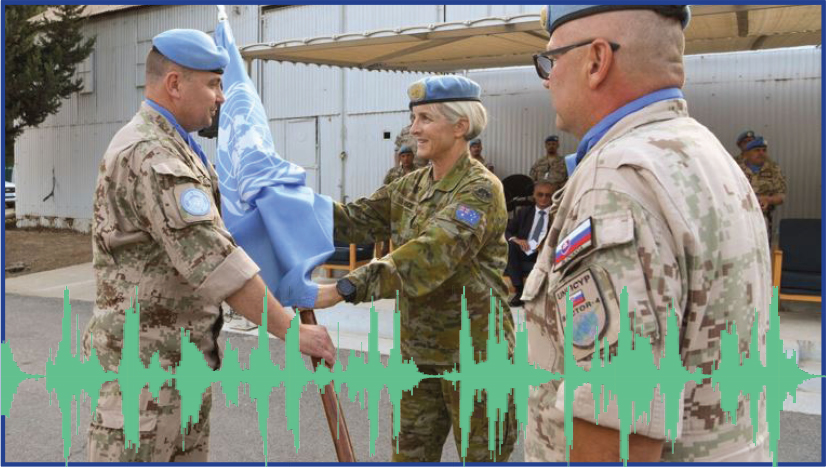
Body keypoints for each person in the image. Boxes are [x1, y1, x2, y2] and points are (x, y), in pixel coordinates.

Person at [524, 5, 770, 463]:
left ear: (597, 61)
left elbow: (617, 438)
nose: (547, 79)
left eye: (551, 61)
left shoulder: (616, 181)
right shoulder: (703, 151)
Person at [82, 29, 336, 462]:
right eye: (214, 84)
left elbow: (220, 236)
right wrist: (291, 331)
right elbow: (216, 261)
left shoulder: (178, 146)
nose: (222, 96)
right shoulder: (152, 155)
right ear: (174, 83)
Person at [314, 75, 517, 462]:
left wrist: (344, 288)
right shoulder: (411, 186)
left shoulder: (480, 190)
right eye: (413, 118)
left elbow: (431, 254)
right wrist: (291, 202)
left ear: (460, 126)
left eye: (425, 118)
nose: (414, 129)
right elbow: (354, 219)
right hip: (419, 354)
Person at [505, 179, 556, 307]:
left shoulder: (557, 214)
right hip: (525, 249)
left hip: (544, 253)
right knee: (511, 245)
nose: (544, 198)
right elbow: (507, 231)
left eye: (548, 195)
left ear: (552, 196)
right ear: (534, 195)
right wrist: (516, 240)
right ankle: (519, 290)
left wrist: (545, 245)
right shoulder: (524, 212)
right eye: (540, 194)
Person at [739, 136, 787, 243]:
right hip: (739, 217)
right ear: (747, 153)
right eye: (757, 150)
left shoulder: (774, 169)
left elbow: (781, 195)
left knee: (762, 245)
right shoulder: (736, 168)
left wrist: (768, 199)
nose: (761, 153)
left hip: (763, 217)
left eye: (764, 150)